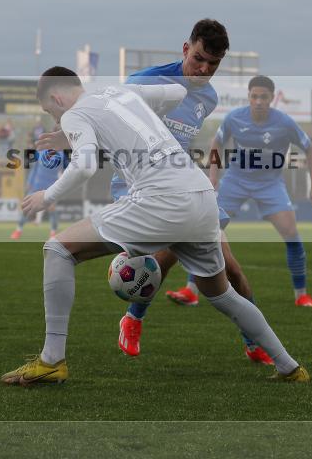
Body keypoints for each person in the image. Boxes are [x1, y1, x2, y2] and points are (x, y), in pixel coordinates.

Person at [1, 67, 309, 386]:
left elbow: (85, 165)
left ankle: (52, 360)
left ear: (55, 97)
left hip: (161, 199)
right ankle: (290, 366)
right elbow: (177, 93)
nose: (54, 117)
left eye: (50, 110)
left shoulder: (74, 114)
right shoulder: (122, 91)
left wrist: (45, 197)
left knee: (58, 250)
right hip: (201, 196)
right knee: (223, 295)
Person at [98, 19, 274, 364]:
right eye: (198, 59)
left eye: (213, 64)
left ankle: (254, 342)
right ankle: (133, 318)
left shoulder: (207, 97)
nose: (204, 69)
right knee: (172, 244)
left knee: (232, 271)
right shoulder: (144, 83)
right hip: (138, 185)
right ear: (185, 48)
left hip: (183, 185)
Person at [210, 76, 312, 306]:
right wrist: (213, 178)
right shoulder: (234, 118)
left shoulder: (284, 122)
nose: (258, 101)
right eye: (254, 96)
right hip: (236, 179)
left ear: (272, 98)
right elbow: (216, 143)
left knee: (291, 231)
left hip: (270, 183)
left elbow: (310, 150)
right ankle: (191, 290)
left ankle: (301, 295)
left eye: (263, 96)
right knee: (208, 229)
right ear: (249, 97)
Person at [10, 147, 67, 241]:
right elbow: (34, 169)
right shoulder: (40, 152)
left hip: (51, 187)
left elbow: (65, 171)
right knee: (26, 207)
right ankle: (18, 230)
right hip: (36, 185)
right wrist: (29, 182)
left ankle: (53, 234)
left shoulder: (61, 155)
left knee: (52, 209)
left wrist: (60, 185)